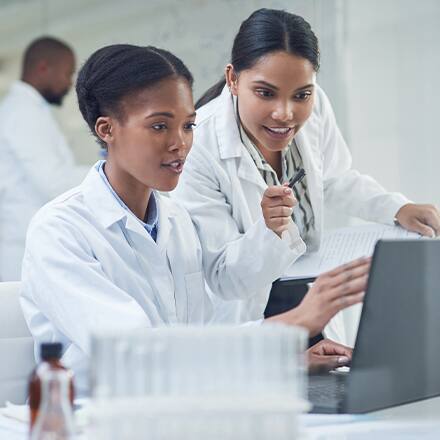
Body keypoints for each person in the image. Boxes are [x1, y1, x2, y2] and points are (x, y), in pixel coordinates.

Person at [20, 44, 369, 396]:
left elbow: (200, 343)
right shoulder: (60, 231)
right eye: (159, 126)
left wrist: (285, 361)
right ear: (107, 129)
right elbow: (137, 353)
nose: (180, 143)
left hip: (179, 408)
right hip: (99, 420)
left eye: (188, 126)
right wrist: (294, 322)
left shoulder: (176, 222)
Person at [172, 8, 440, 338]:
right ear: (233, 79)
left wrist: (396, 208)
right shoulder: (198, 146)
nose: (285, 113)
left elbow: (335, 177)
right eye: (265, 93)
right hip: (249, 318)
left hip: (309, 298)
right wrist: (269, 231)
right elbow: (224, 277)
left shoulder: (317, 105)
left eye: (302, 95)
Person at [0, 36, 89, 281]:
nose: (69, 83)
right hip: (24, 247)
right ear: (43, 68)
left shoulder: (30, 110)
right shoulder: (23, 112)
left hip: (32, 241)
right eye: (67, 74)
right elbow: (53, 181)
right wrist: (112, 172)